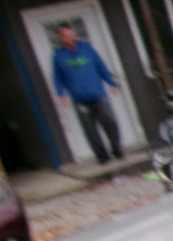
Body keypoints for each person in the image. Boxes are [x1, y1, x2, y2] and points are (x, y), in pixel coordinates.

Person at [51, 25, 124, 164]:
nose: (70, 37)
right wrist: (61, 94)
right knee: (90, 130)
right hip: (80, 99)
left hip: (98, 94)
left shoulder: (86, 48)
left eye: (71, 34)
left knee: (110, 121)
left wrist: (111, 83)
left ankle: (116, 148)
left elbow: (100, 65)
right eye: (65, 35)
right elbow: (57, 77)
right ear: (60, 38)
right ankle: (102, 156)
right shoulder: (58, 55)